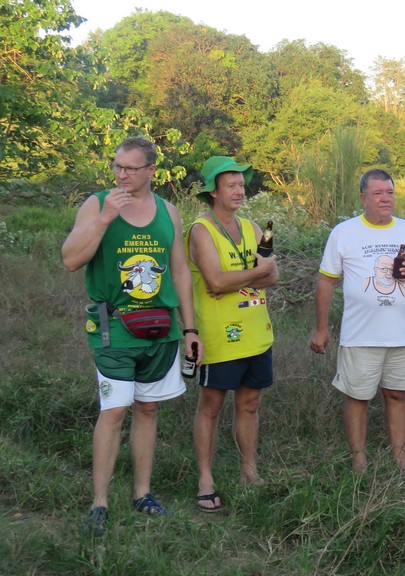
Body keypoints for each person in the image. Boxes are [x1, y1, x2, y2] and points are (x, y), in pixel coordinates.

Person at [61, 136, 202, 534]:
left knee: (148, 409)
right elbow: (70, 260)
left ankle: (142, 493)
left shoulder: (168, 212)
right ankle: (99, 502)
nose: (121, 175)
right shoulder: (96, 204)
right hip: (115, 329)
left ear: (151, 171)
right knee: (114, 411)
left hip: (160, 330)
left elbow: (179, 271)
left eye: (130, 168)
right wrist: (105, 218)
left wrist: (190, 328)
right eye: (117, 166)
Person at [308, 169, 405, 475]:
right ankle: (359, 461)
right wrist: (321, 328)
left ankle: (400, 459)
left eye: (390, 192)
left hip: (402, 335)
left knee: (397, 395)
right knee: (357, 397)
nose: (385, 199)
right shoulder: (345, 232)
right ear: (363, 198)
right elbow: (326, 281)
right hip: (360, 335)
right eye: (378, 193)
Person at [186, 156, 278, 512]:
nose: (240, 191)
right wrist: (255, 273)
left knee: (250, 404)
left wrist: (240, 278)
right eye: (232, 185)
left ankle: (248, 471)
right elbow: (214, 281)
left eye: (242, 185)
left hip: (257, 333)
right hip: (219, 336)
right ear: (213, 191)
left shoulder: (254, 228)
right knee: (211, 406)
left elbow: (273, 276)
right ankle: (205, 479)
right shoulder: (201, 230)